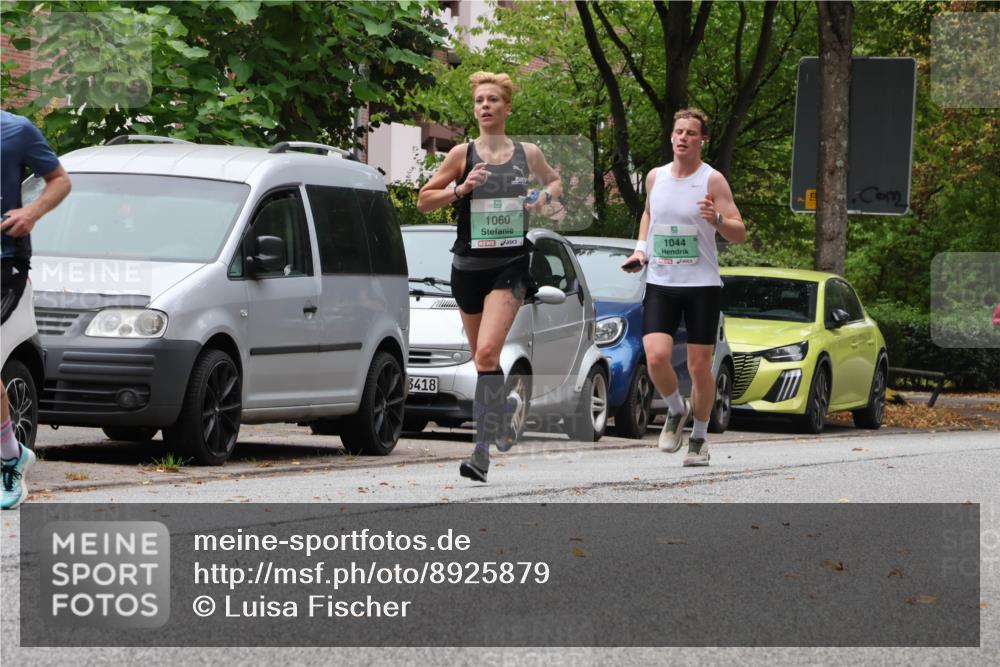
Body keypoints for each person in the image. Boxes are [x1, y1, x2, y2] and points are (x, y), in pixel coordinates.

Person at [417, 71, 562, 482]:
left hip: (510, 265)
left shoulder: (527, 153)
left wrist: (542, 197)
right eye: (480, 100)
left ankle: (480, 452)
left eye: (493, 100)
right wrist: (461, 189)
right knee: (487, 362)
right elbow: (424, 200)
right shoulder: (461, 155)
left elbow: (555, 181)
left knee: (484, 354)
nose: (485, 106)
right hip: (467, 267)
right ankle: (506, 408)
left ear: (507, 108)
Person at [622, 108, 745, 467]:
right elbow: (649, 214)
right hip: (661, 280)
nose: (682, 138)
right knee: (656, 355)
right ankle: (676, 409)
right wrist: (641, 250)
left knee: (698, 367)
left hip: (702, 285)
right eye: (678, 132)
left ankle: (700, 439)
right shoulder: (655, 177)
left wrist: (718, 219)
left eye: (690, 133)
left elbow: (739, 231)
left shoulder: (713, 181)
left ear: (701, 140)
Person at [1, 110, 71, 509]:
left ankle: (9, 458)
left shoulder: (16, 130)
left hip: (5, 262)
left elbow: (60, 181)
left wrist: (31, 213)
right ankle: (12, 450)